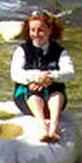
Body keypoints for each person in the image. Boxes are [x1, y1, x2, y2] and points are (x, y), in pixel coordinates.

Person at [10, 8, 74, 143]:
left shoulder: (60, 51)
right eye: (32, 30)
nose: (36, 34)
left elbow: (69, 73)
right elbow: (15, 74)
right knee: (33, 92)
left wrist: (50, 77)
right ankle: (43, 126)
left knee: (57, 92)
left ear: (49, 30)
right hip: (27, 97)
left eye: (40, 30)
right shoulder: (22, 50)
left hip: (52, 95)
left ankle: (54, 127)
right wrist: (37, 78)